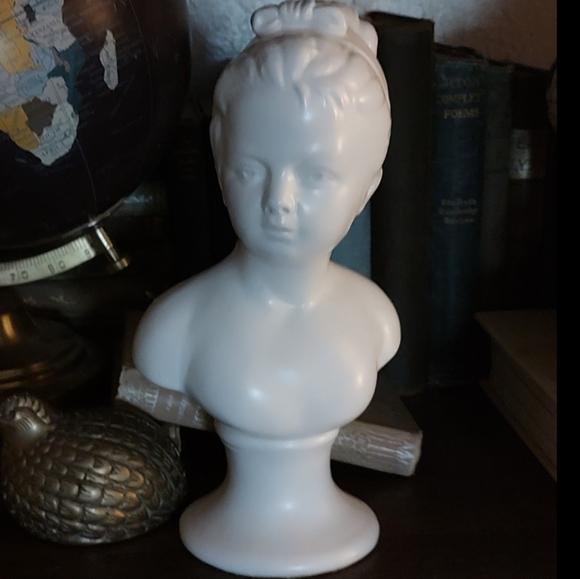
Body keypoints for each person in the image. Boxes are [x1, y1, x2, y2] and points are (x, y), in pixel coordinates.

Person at [133, 1, 400, 576]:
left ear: (367, 186)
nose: (279, 201)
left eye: (315, 175)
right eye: (251, 170)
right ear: (219, 163)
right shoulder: (175, 327)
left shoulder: (376, 318)